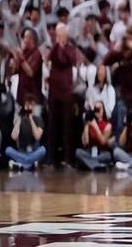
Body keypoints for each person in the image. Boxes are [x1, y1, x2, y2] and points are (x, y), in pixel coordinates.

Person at [47, 23, 77, 167]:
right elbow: (50, 57)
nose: (59, 38)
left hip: (66, 92)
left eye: (62, 35)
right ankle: (51, 159)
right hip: (54, 92)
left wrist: (63, 47)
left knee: (67, 127)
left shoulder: (71, 49)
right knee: (52, 126)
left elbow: (69, 60)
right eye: (58, 35)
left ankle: (67, 159)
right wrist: (57, 45)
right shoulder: (54, 48)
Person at [6, 93, 46, 170]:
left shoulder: (38, 119)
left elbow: (37, 137)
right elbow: (14, 137)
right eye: (27, 105)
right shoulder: (19, 119)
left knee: (43, 150)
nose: (30, 107)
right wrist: (19, 119)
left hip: (34, 151)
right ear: (24, 106)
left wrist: (31, 119)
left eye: (32, 105)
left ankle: (20, 164)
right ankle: (29, 163)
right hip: (22, 151)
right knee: (8, 150)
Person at [75, 101, 113, 170]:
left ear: (103, 111)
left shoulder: (108, 125)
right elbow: (85, 143)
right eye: (95, 109)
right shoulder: (90, 124)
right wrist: (86, 125)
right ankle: (97, 166)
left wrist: (95, 126)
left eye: (99, 109)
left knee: (108, 156)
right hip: (90, 152)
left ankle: (89, 164)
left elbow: (103, 141)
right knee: (78, 152)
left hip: (101, 152)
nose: (97, 111)